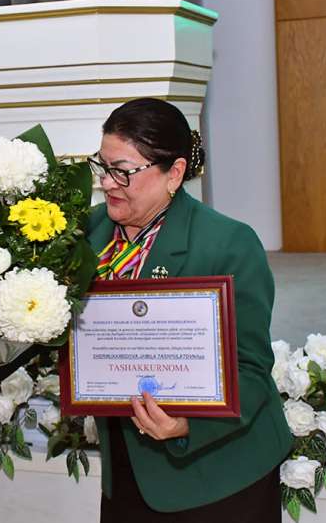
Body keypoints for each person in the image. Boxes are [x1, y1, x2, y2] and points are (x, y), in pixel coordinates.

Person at [87, 98, 292, 521]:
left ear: (174, 174)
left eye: (122, 171)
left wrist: (188, 425)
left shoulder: (228, 244)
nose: (107, 183)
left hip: (217, 471)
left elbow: (251, 369)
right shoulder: (87, 232)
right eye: (102, 166)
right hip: (127, 463)